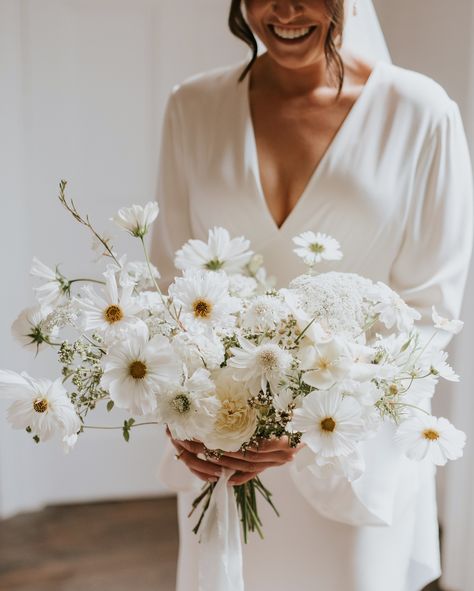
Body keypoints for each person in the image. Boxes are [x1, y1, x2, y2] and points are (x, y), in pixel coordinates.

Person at [151, 1, 473, 590]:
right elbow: (170, 280)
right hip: (223, 442)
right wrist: (183, 411)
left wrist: (305, 422)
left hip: (350, 447)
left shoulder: (421, 112)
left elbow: (433, 310)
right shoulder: (191, 107)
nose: (287, 8)